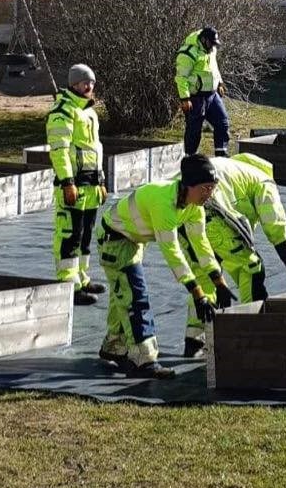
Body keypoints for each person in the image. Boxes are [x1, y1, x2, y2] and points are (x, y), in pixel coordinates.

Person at [94, 154, 235, 378]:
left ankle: (114, 347)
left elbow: (201, 244)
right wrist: (198, 293)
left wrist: (219, 282)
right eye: (206, 188)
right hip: (116, 241)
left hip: (132, 240)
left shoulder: (193, 206)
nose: (210, 194)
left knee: (121, 295)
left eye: (213, 188)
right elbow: (173, 253)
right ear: (189, 185)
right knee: (135, 297)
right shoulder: (164, 204)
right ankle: (144, 361)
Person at [182, 151, 286, 357]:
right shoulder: (264, 183)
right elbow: (278, 232)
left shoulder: (233, 169)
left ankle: (195, 338)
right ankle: (252, 332)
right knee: (250, 267)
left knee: (204, 271)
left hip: (187, 207)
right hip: (211, 211)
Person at [46, 64, 107, 306]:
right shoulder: (63, 111)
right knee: (69, 234)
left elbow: (96, 149)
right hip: (73, 184)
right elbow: (59, 150)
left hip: (91, 185)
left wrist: (101, 180)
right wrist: (67, 182)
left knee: (85, 235)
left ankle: (82, 278)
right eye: (84, 82)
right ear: (73, 84)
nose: (89, 86)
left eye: (91, 82)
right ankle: (67, 285)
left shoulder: (89, 112)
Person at [174, 25, 229, 157]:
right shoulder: (188, 53)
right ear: (204, 40)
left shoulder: (212, 50)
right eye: (211, 43)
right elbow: (181, 78)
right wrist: (185, 98)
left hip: (212, 94)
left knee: (222, 122)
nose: (213, 47)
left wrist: (219, 82)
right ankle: (190, 157)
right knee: (194, 129)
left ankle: (221, 153)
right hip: (196, 97)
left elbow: (213, 68)